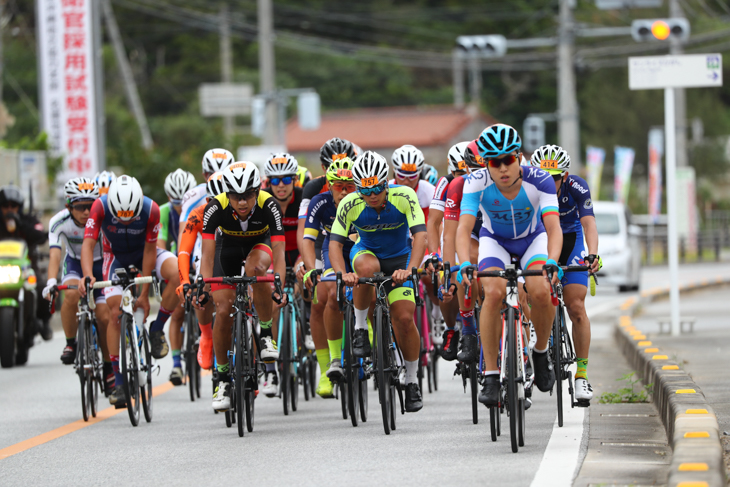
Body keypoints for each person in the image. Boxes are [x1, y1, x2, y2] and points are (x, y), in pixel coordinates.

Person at [456, 124, 563, 407]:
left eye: (508, 160)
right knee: (492, 292)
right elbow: (463, 228)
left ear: (518, 157)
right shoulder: (476, 181)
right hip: (496, 242)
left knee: (540, 291)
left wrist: (552, 260)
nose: (503, 168)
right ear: (487, 164)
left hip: (532, 240)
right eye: (494, 162)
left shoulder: (540, 180)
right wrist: (465, 262)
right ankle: (491, 374)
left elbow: (553, 227)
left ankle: (540, 352)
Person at [329, 151, 427, 413]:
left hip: (400, 261)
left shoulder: (405, 195)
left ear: (387, 182)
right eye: (365, 190)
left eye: (377, 189)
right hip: (367, 255)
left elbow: (420, 236)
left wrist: (410, 270)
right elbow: (335, 245)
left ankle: (412, 379)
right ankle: (361, 328)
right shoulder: (349, 203)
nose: (372, 195)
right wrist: (343, 274)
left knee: (405, 319)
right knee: (365, 269)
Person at [80, 175, 183, 408]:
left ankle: (157, 329)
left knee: (178, 271)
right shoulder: (100, 207)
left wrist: (144, 295)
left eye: (131, 216)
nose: (126, 221)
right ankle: (118, 381)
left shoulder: (151, 210)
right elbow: (88, 244)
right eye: (120, 217)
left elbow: (149, 250)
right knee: (115, 313)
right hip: (115, 258)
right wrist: (88, 275)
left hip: (145, 253)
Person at [199, 162, 287, 411]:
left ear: (257, 191)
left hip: (260, 245)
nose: (243, 203)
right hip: (225, 249)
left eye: (248, 195)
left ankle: (266, 335)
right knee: (223, 309)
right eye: (236, 197)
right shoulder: (215, 206)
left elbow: (279, 250)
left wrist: (278, 282)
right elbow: (206, 256)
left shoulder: (269, 204)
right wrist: (204, 287)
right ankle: (223, 379)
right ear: (227, 194)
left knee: (256, 271)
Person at [529, 144, 601, 406]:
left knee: (577, 306)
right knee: (529, 295)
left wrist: (592, 254)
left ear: (566, 176)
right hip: (540, 240)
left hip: (570, 239)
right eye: (544, 177)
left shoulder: (577, 187)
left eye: (555, 178)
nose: (549, 182)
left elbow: (589, 223)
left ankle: (581, 375)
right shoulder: (527, 187)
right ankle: (524, 358)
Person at [42, 178, 112, 391]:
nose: (86, 212)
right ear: (68, 207)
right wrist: (52, 281)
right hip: (74, 264)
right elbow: (55, 255)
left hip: (100, 265)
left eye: (91, 206)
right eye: (80, 207)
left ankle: (108, 368)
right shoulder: (58, 222)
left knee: (103, 317)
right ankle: (71, 343)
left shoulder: (104, 219)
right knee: (70, 296)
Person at [300, 157, 357, 397]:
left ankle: (371, 335)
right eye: (338, 186)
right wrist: (310, 267)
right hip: (329, 246)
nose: (343, 192)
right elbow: (308, 239)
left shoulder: (363, 201)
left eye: (349, 186)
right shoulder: (319, 202)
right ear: (329, 185)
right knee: (328, 295)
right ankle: (329, 366)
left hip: (359, 246)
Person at [426, 141, 482, 360]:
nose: (466, 174)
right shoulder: (449, 183)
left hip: (480, 231)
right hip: (457, 227)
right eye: (459, 170)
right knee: (447, 281)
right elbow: (434, 224)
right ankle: (451, 328)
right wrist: (436, 256)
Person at [261, 152, 303, 396]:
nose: (280, 185)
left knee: (306, 280)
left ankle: (305, 324)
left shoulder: (302, 197)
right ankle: (271, 368)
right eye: (274, 180)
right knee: (273, 303)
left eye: (286, 179)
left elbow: (308, 235)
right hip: (273, 253)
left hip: (297, 251)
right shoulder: (265, 201)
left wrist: (302, 264)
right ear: (268, 182)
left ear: (294, 180)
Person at [176, 172, 225, 371]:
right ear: (207, 200)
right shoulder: (197, 213)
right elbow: (184, 251)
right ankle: (206, 335)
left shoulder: (244, 210)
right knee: (201, 293)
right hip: (205, 251)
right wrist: (183, 280)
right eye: (215, 201)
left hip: (237, 251)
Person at [158, 169, 197, 385]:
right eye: (176, 203)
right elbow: (160, 246)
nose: (181, 208)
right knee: (177, 312)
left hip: (197, 257)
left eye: (183, 202)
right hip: (176, 259)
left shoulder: (201, 205)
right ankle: (176, 364)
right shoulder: (164, 212)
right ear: (168, 198)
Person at [0, 185, 50, 340]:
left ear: (19, 207)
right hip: (2, 268)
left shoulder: (28, 220)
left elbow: (40, 235)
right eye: (5, 205)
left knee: (43, 291)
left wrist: (20, 224)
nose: (9, 209)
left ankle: (44, 323)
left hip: (26, 267)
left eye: (13, 206)